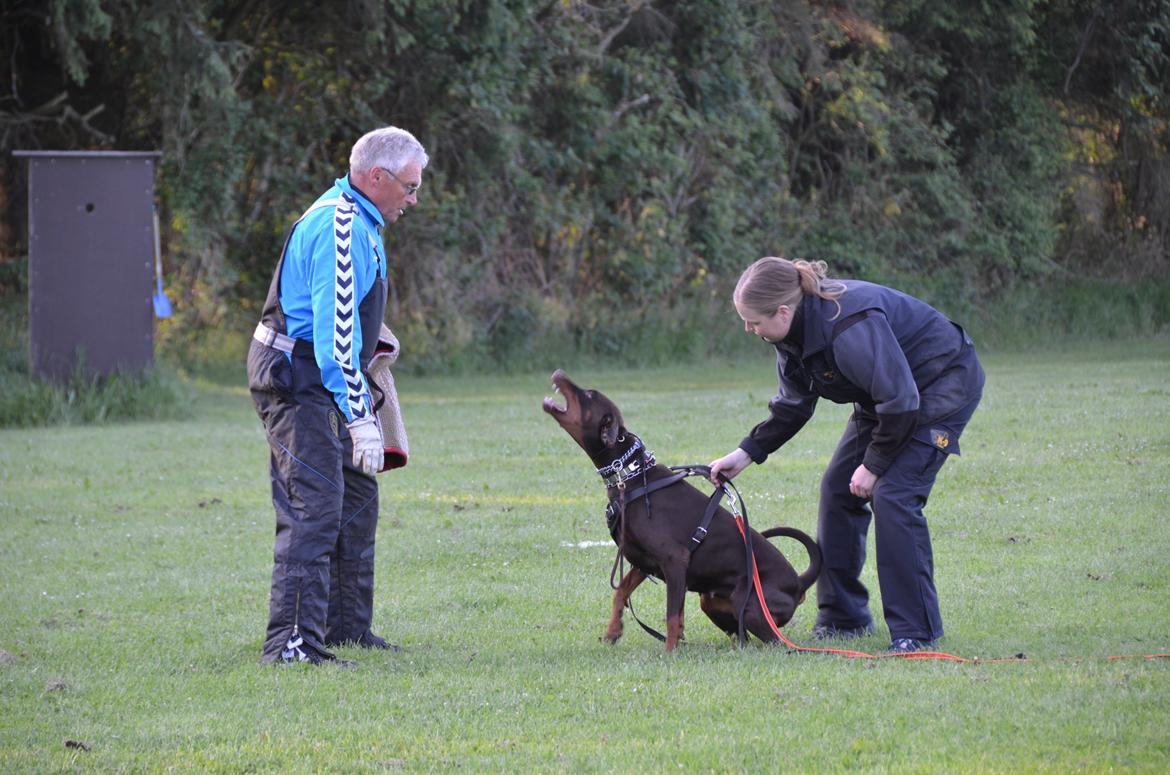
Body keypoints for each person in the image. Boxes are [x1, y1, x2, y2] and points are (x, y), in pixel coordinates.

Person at [708, 257, 984, 653]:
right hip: (889, 397)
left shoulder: (848, 324)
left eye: (753, 321)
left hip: (941, 384)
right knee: (839, 490)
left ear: (783, 310)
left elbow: (903, 401)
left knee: (895, 495)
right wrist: (747, 451)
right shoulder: (788, 333)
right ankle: (843, 618)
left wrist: (873, 466)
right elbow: (794, 404)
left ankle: (917, 633)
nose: (748, 329)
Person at [246, 126, 429, 664]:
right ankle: (292, 645)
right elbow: (334, 344)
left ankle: (346, 626)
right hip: (297, 375)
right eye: (410, 187)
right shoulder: (340, 228)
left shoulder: (363, 219)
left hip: (319, 368)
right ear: (377, 177)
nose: (414, 199)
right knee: (315, 505)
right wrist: (361, 420)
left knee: (357, 500)